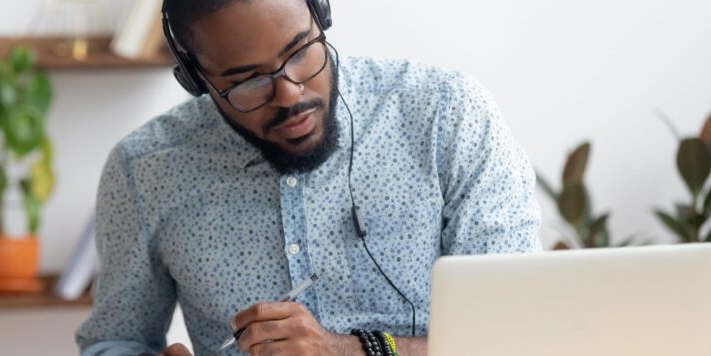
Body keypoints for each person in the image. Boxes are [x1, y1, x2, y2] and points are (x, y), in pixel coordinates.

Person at [76, 0, 542, 355]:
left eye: (300, 52)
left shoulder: (447, 115)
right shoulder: (144, 170)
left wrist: (350, 350)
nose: (290, 94)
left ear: (321, 15)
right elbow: (114, 339)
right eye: (246, 81)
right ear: (196, 81)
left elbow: (521, 336)